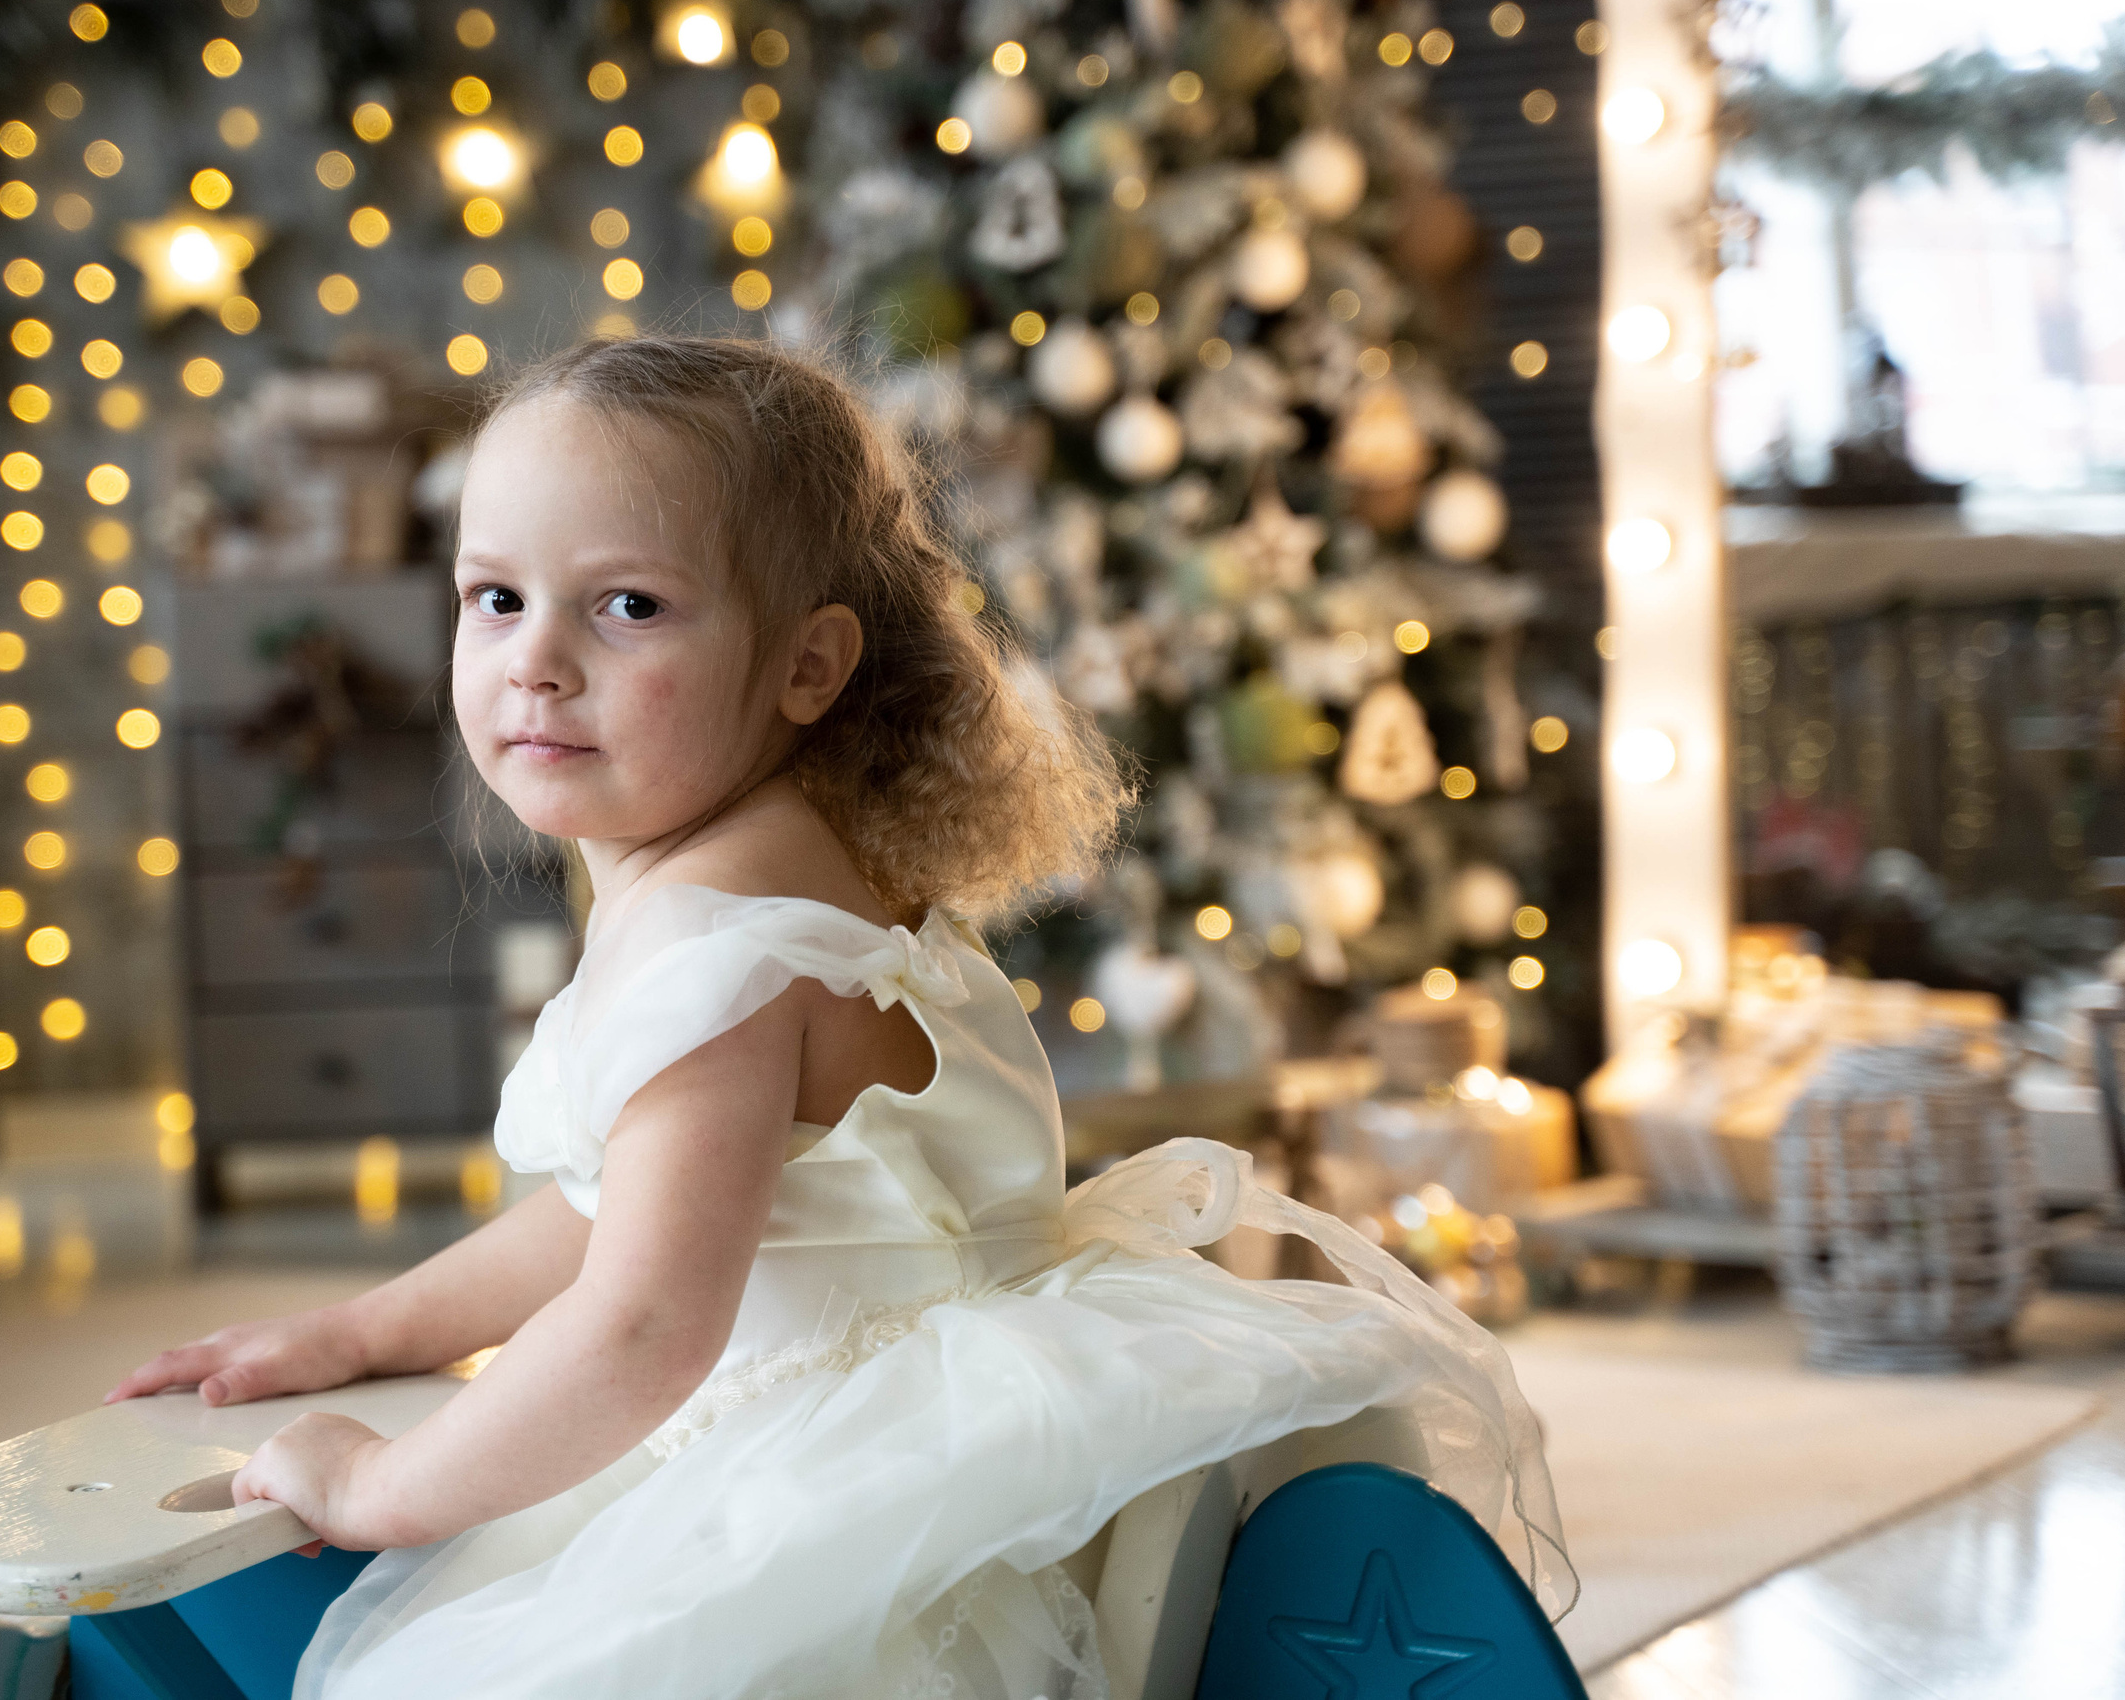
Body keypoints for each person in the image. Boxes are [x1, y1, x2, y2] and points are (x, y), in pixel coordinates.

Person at [107, 335, 1573, 1699]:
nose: (535, 659)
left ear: (810, 663)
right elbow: (623, 1207)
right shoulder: (822, 869)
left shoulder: (713, 947)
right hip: (972, 1440)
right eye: (496, 597)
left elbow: (638, 1325)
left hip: (828, 1482)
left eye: (626, 606)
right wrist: (365, 1329)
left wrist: (378, 1488)